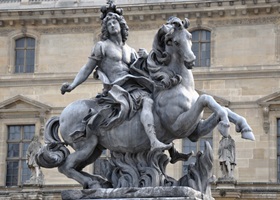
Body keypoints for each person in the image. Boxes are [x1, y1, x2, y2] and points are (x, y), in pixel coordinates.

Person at [60, 10, 171, 151]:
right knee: (147, 101)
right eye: (109, 24)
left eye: (114, 22)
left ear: (121, 25)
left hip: (132, 85)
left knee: (160, 101)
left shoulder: (130, 50)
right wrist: (72, 85)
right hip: (116, 87)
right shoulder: (102, 46)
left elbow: (139, 70)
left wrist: (145, 57)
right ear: (106, 29)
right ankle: (154, 141)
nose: (112, 25)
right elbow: (87, 68)